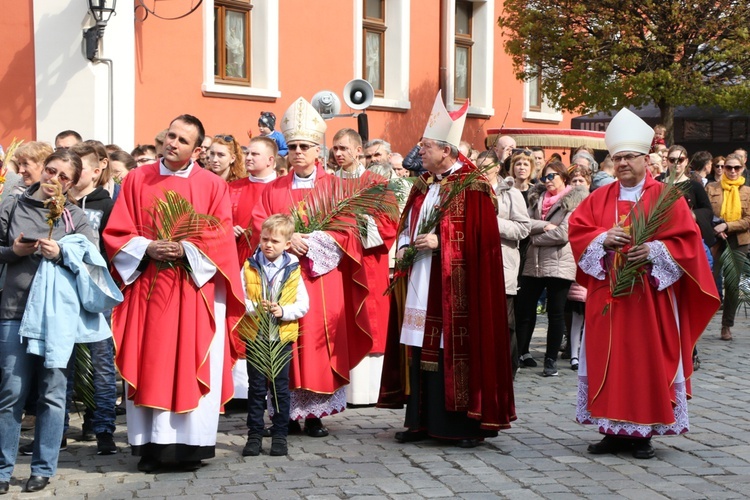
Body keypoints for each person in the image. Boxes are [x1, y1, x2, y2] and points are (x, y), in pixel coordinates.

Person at [569, 108, 719, 460]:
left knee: (642, 362)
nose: (622, 163)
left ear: (645, 160)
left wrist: (654, 250)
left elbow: (688, 243)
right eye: (617, 157)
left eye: (629, 157)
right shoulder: (599, 196)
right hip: (609, 297)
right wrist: (602, 239)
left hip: (649, 300)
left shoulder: (666, 198)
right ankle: (611, 430)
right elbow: (578, 231)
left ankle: (643, 432)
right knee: (609, 360)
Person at [103, 114, 246, 473]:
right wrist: (147, 248)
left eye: (182, 141)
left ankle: (191, 448)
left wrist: (187, 251)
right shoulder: (138, 178)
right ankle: (150, 448)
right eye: (170, 136)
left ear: (197, 150)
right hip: (149, 289)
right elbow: (117, 231)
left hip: (192, 290)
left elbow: (222, 238)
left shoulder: (212, 186)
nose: (172, 144)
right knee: (151, 363)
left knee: (190, 360)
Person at [378, 92, 516, 447]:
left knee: (450, 350)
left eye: (425, 146)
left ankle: (462, 425)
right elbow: (409, 223)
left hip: (458, 287)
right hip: (422, 280)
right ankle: (420, 420)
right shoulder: (424, 183)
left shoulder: (472, 185)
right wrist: (409, 241)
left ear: (447, 151)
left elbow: (483, 242)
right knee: (417, 346)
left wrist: (442, 243)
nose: (419, 151)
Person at [250, 98, 372, 437]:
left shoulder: (335, 187)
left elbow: (348, 230)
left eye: (305, 146)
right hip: (282, 278)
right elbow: (259, 225)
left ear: (319, 151)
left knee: (317, 343)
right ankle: (285, 414)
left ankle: (315, 414)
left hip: (322, 281)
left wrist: (314, 240)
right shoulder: (273, 188)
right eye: (293, 147)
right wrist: (289, 241)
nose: (299, 152)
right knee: (287, 343)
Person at [0, 149, 103, 493]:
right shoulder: (12, 206)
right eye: (51, 171)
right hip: (13, 310)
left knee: (53, 393)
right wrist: (12, 252)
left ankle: (43, 468)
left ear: (72, 184)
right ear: (42, 170)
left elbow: (93, 261)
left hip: (57, 318)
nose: (53, 180)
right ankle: (2, 469)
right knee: (11, 392)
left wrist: (62, 253)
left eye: (63, 177)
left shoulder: (76, 217)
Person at [241, 214, 309, 457]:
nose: (268, 245)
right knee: (256, 389)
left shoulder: (292, 269)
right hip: (257, 338)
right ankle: (254, 436)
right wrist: (254, 307)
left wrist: (283, 311)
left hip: (281, 338)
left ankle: (280, 435)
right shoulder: (249, 266)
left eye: (275, 241)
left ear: (287, 244)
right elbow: (239, 298)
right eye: (265, 239)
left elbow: (303, 304)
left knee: (280, 390)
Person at [515, 161, 587, 376]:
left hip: (559, 263)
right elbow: (523, 225)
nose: (547, 181)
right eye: (544, 177)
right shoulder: (536, 198)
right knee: (524, 310)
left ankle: (550, 361)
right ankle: (519, 354)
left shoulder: (574, 201)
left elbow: (563, 234)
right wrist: (543, 227)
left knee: (555, 314)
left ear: (563, 177)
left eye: (552, 176)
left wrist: (535, 238)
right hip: (533, 263)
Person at [479, 150, 531, 379]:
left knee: (505, 321)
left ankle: (508, 371)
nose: (482, 172)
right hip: (475, 263)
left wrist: (494, 222)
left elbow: (523, 228)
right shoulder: (470, 191)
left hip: (503, 262)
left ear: (497, 168)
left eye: (486, 167)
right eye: (477, 167)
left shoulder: (511, 193)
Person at [706, 153, 750, 341]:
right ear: (722, 169)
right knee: (707, 279)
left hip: (738, 240)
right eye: (728, 167)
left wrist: (728, 226)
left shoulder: (747, 191)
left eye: (736, 168)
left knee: (732, 284)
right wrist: (717, 228)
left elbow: (748, 219)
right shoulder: (711, 188)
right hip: (715, 239)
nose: (732, 171)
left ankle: (726, 325)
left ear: (742, 169)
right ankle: (699, 321)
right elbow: (705, 213)